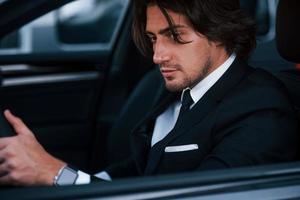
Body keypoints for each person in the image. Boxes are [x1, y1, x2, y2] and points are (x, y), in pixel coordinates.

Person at [0, 0, 298, 186]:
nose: (157, 56)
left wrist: (58, 175)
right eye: (153, 38)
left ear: (220, 33)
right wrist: (60, 174)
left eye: (175, 36)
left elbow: (196, 196)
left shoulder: (263, 110)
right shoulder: (182, 86)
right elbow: (144, 168)